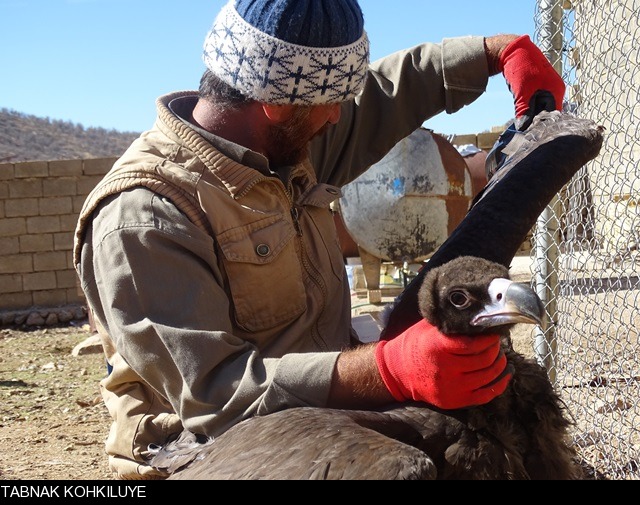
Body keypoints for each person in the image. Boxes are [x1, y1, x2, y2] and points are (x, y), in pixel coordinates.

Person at [73, 0, 565, 480]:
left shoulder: (281, 145)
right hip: (204, 451)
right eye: (331, 103)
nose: (337, 118)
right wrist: (389, 369)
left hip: (329, 419)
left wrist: (497, 52)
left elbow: (387, 95)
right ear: (275, 104)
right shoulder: (145, 217)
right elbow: (216, 399)